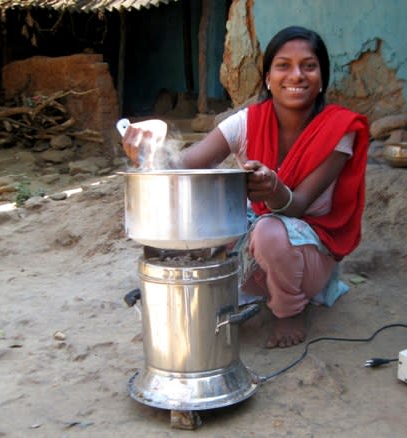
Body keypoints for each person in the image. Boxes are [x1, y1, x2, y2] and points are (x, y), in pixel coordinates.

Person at [122, 26, 369, 348]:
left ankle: (289, 311)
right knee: (210, 211)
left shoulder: (339, 129)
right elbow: (182, 168)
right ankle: (247, 287)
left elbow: (300, 204)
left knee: (267, 229)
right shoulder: (247, 122)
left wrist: (273, 188)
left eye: (308, 66)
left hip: (307, 253)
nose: (296, 75)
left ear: (322, 77)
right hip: (254, 249)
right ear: (268, 77)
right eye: (283, 65)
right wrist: (152, 144)